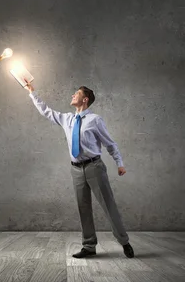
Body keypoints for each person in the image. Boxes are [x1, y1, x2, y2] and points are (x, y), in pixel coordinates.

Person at [22, 80, 134, 258]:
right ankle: (89, 246)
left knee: (108, 205)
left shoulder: (95, 120)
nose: (73, 95)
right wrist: (31, 92)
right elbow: (46, 111)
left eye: (77, 93)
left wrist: (119, 163)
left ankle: (124, 242)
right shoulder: (67, 119)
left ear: (85, 99)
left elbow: (110, 144)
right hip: (76, 170)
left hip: (94, 167)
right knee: (83, 208)